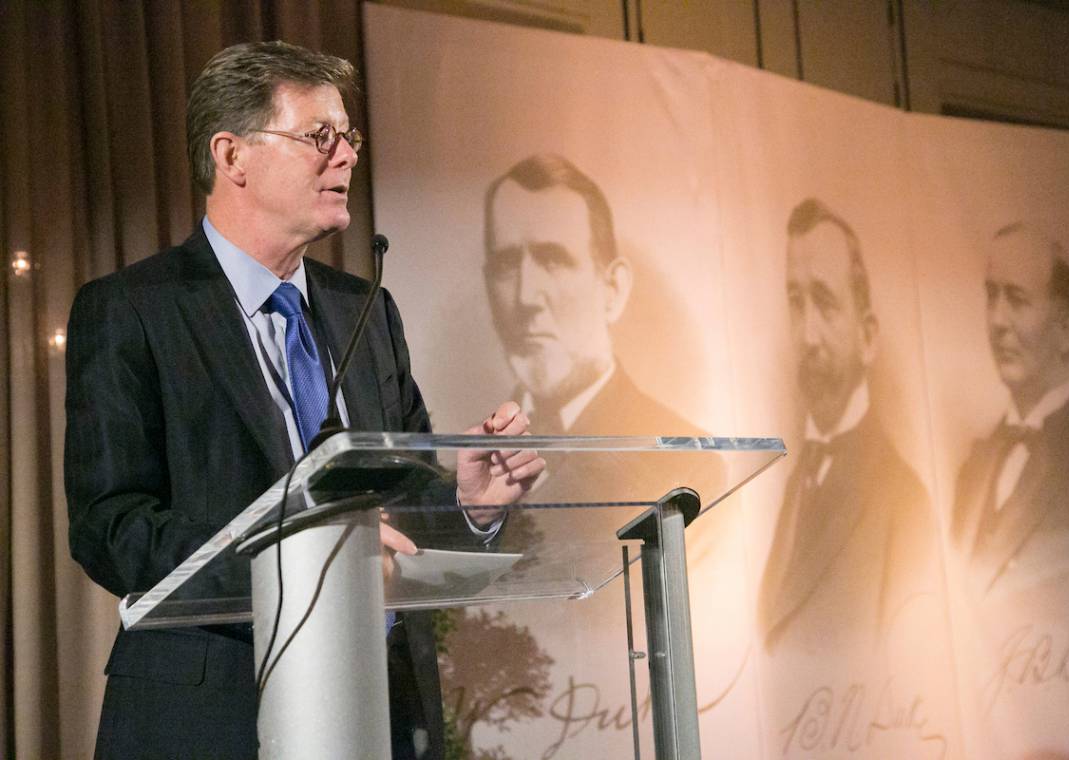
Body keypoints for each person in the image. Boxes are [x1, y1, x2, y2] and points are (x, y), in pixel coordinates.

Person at [64, 41, 541, 760]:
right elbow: (112, 527)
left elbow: (400, 512)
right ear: (233, 158)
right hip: (207, 717)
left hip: (378, 710)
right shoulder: (134, 310)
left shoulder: (365, 310)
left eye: (349, 137)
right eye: (321, 137)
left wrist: (469, 504)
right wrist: (288, 558)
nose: (346, 156)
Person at [759, 198, 938, 653]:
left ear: (868, 336)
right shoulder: (796, 483)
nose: (807, 334)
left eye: (825, 302)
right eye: (796, 303)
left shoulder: (905, 502)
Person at [951, 223, 1069, 595]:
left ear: (1066, 329)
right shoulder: (971, 471)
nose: (997, 321)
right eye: (992, 296)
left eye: (1017, 299)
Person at [482, 153, 697, 437]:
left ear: (613, 290)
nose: (526, 297)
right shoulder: (467, 464)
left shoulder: (686, 458)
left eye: (553, 261)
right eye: (507, 265)